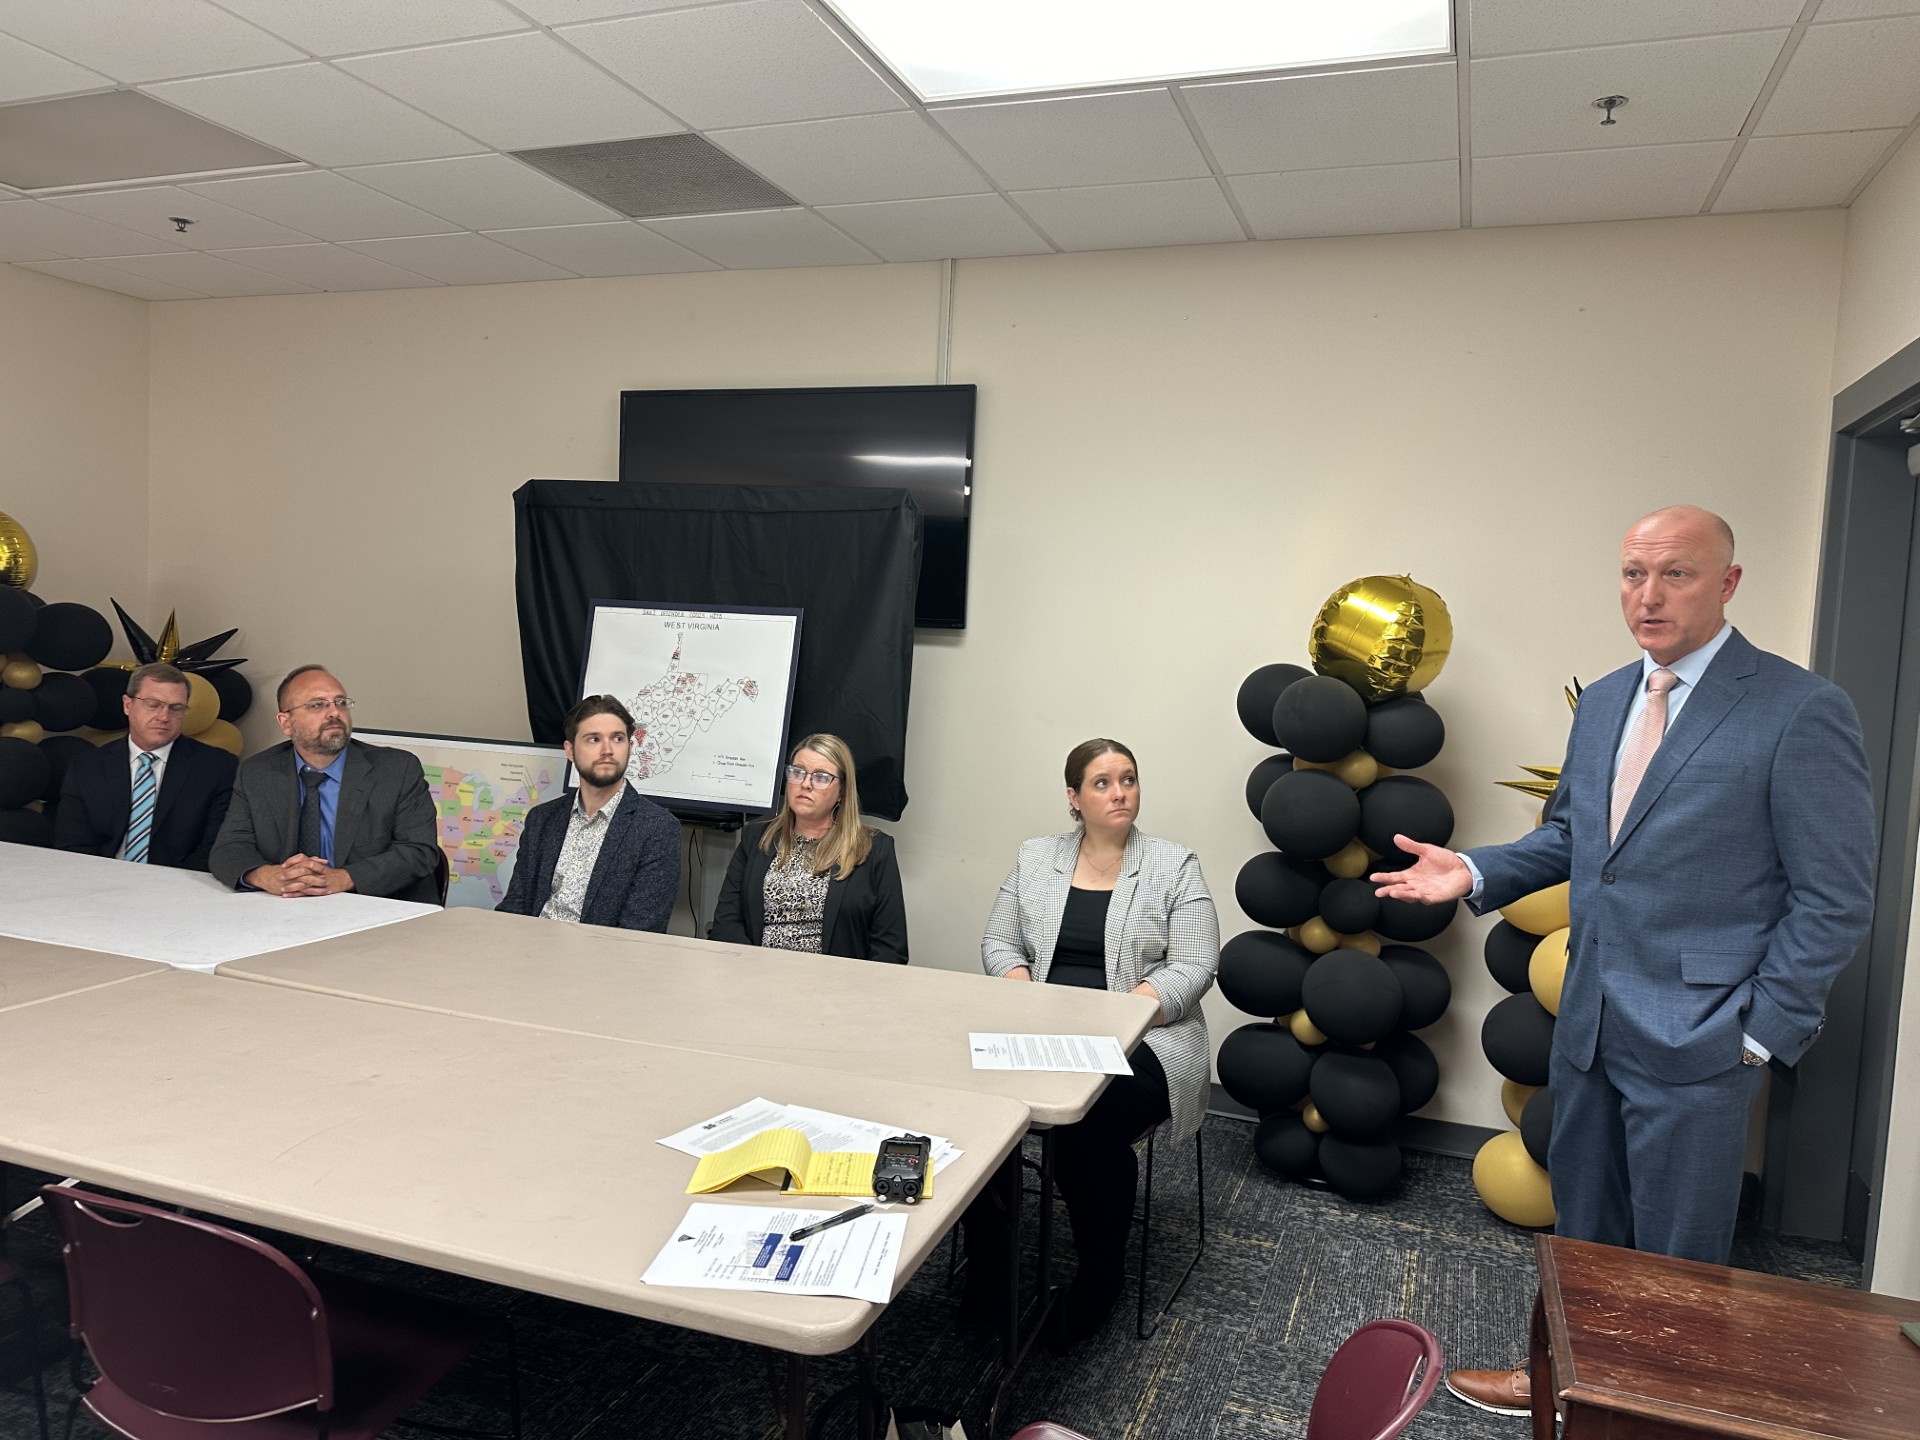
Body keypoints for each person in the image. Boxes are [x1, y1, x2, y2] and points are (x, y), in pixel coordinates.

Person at [1373, 505, 1875, 1415]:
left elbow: (1835, 897)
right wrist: (1475, 870)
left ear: (1728, 583)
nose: (1647, 595)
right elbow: (1574, 837)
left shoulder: (1800, 710)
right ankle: (1562, 1381)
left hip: (1706, 1035)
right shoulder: (1607, 698)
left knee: (1678, 1263)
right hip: (1592, 1019)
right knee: (1584, 1232)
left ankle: (1655, 1417)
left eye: (1675, 574)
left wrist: (1761, 1035)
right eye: (1632, 573)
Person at [964, 738, 1219, 1350]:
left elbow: (1196, 964)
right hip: (1039, 1034)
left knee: (1086, 1129)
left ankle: (1098, 1279)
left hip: (1146, 1042)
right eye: (1102, 783)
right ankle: (989, 1274)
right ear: (1074, 798)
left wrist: (1125, 1013)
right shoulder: (1036, 858)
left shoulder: (1172, 865)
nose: (1120, 792)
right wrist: (1023, 990)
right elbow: (999, 943)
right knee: (978, 1116)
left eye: (1128, 779)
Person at [210, 664, 440, 903]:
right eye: (317, 704)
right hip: (287, 910)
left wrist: (344, 878)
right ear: (286, 723)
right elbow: (229, 847)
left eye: (340, 702)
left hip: (380, 909)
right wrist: (265, 875)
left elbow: (419, 851)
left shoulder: (397, 769)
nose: (334, 713)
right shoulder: (257, 772)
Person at [708, 733, 906, 963]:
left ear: (842, 791)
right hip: (756, 980)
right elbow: (726, 924)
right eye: (797, 772)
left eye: (821, 777)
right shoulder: (755, 839)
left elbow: (891, 948)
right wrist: (754, 972)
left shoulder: (875, 850)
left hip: (835, 989)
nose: (805, 784)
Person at [496, 695, 679, 931]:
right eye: (594, 739)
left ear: (630, 748)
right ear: (570, 750)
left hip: (602, 961)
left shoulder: (657, 828)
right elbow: (516, 906)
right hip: (530, 951)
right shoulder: (542, 819)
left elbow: (640, 931)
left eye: (618, 739)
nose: (607, 750)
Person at [54, 661, 237, 871]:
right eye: (153, 704)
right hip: (98, 881)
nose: (164, 717)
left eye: (176, 708)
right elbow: (72, 844)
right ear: (128, 705)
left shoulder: (217, 767)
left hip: (179, 886)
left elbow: (214, 849)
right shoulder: (88, 766)